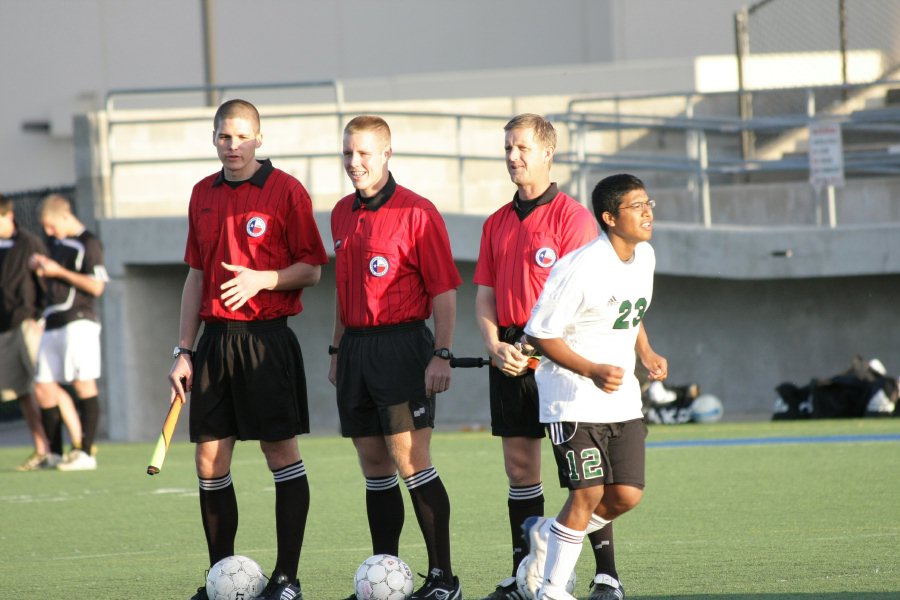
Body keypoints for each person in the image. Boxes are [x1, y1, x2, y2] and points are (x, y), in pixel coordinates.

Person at [167, 99, 327, 600]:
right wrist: (184, 349)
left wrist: (264, 279)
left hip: (267, 339)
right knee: (209, 463)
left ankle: (286, 578)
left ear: (259, 138)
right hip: (214, 341)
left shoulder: (286, 191)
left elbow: (313, 268)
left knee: (280, 455)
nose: (232, 146)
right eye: (223, 137)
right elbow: (195, 276)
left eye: (241, 137)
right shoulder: (201, 194)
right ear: (213, 138)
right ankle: (222, 579)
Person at [473, 113, 607, 600]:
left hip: (561, 352)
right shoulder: (495, 223)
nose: (513, 156)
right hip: (510, 352)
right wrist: (494, 346)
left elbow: (581, 298)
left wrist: (531, 347)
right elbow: (484, 294)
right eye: (508, 147)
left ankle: (607, 576)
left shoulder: (572, 218)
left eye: (522, 148)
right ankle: (522, 573)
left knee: (580, 469)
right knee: (520, 468)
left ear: (548, 152)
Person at [329, 115, 463, 600]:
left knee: (411, 459)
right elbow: (344, 293)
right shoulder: (341, 212)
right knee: (373, 465)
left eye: (363, 153)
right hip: (356, 350)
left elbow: (444, 290)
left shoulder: (417, 212)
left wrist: (441, 353)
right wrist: (336, 349)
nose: (354, 162)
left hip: (404, 346)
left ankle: (445, 578)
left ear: (386, 154)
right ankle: (382, 580)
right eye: (347, 153)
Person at [521, 174, 668, 600]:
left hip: (622, 401)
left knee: (626, 495)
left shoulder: (645, 257)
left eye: (648, 203)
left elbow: (630, 310)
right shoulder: (579, 267)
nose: (647, 212)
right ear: (608, 217)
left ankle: (550, 534)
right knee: (586, 493)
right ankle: (551, 589)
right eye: (636, 206)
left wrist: (646, 351)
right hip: (571, 400)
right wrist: (590, 370)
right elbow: (541, 334)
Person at [30, 193, 108, 471]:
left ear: (64, 216)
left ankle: (85, 452)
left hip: (78, 320)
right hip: (51, 321)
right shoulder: (54, 244)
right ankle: (53, 452)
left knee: (82, 382)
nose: (49, 232)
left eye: (52, 226)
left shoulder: (88, 243)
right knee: (43, 386)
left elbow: (97, 286)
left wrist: (58, 272)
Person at [0, 195, 53, 471]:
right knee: (20, 390)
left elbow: (46, 282)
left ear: (8, 216)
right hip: (4, 328)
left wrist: (41, 316)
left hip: (28, 323)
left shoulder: (29, 243)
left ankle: (65, 447)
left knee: (44, 385)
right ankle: (40, 447)